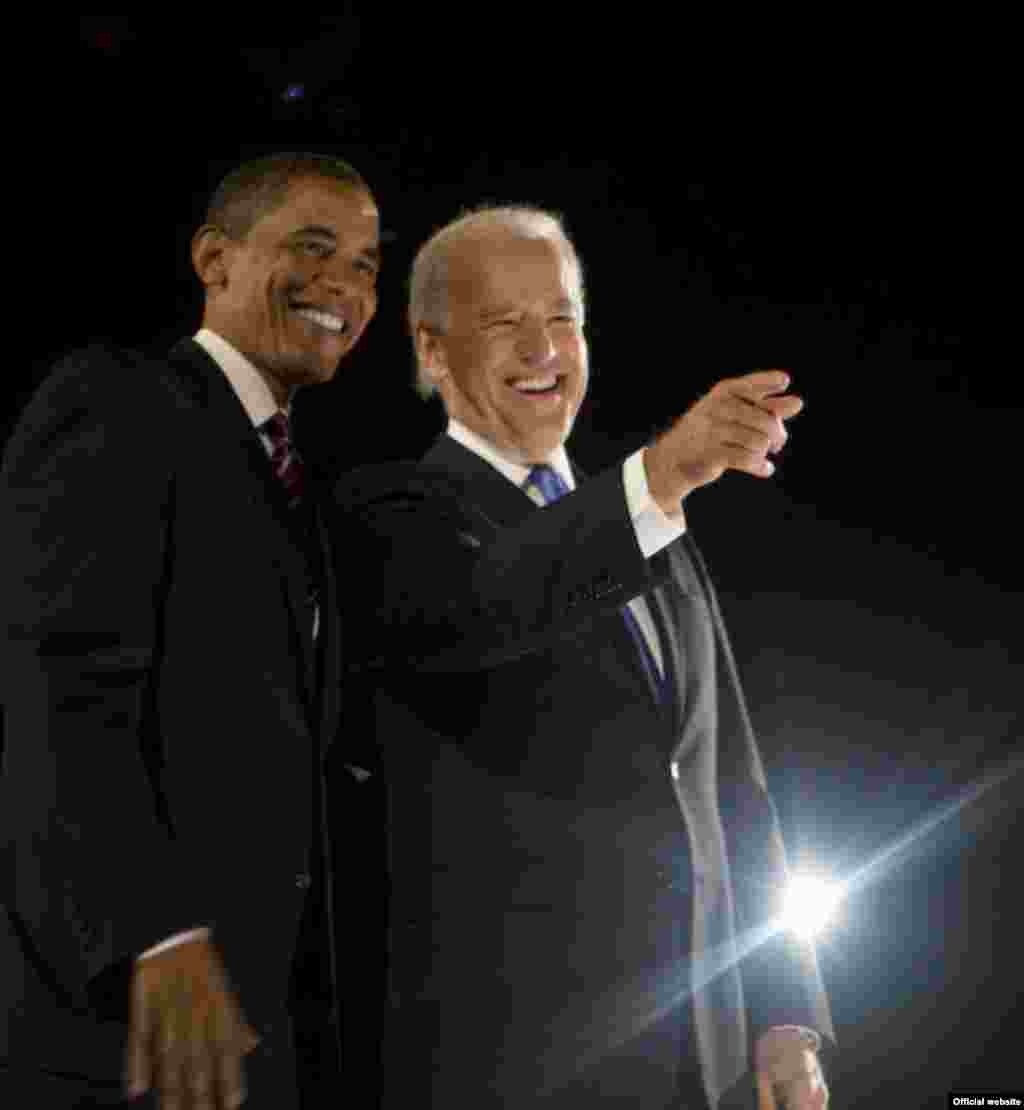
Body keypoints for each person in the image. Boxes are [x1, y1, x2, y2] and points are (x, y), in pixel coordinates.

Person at [331, 206, 834, 1108]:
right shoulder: (390, 515)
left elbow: (728, 781)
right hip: (521, 1063)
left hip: (706, 1054)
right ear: (434, 352)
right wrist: (660, 476)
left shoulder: (652, 525)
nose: (542, 349)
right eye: (503, 323)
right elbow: (486, 603)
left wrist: (785, 1014)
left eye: (560, 317)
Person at [0, 152, 381, 1108]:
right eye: (314, 248)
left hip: (257, 1032)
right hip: (125, 1027)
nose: (345, 285)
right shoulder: (121, 404)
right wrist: (155, 930)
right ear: (215, 259)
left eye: (369, 265)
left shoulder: (305, 489)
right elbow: (58, 685)